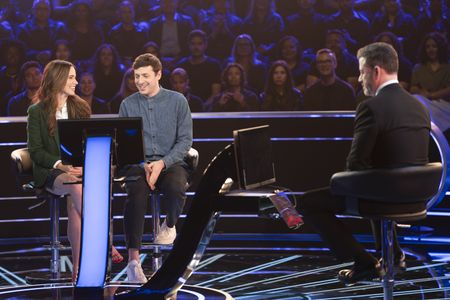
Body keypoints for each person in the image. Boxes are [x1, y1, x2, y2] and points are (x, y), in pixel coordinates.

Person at [298, 42, 431, 284]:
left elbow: (356, 164)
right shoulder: (418, 106)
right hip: (416, 198)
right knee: (376, 180)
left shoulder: (370, 107)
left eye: (362, 72)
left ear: (376, 71)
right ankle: (394, 253)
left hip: (383, 197)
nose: (359, 78)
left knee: (309, 202)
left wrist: (341, 179)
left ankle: (364, 263)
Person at [118, 53, 193, 283]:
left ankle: (170, 224)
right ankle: (133, 261)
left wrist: (162, 163)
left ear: (159, 75)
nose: (139, 81)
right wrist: (144, 165)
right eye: (137, 76)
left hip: (170, 161)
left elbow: (185, 142)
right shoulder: (127, 105)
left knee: (175, 185)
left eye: (145, 76)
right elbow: (124, 145)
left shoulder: (178, 101)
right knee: (136, 193)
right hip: (138, 164)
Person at [26, 60, 90, 282]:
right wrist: (60, 164)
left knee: (76, 200)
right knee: (76, 185)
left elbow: (85, 143)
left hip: (76, 171)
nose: (76, 81)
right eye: (71, 77)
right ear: (59, 79)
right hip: (50, 171)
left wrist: (83, 162)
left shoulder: (80, 107)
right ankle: (106, 241)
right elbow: (35, 152)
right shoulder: (36, 112)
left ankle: (77, 270)